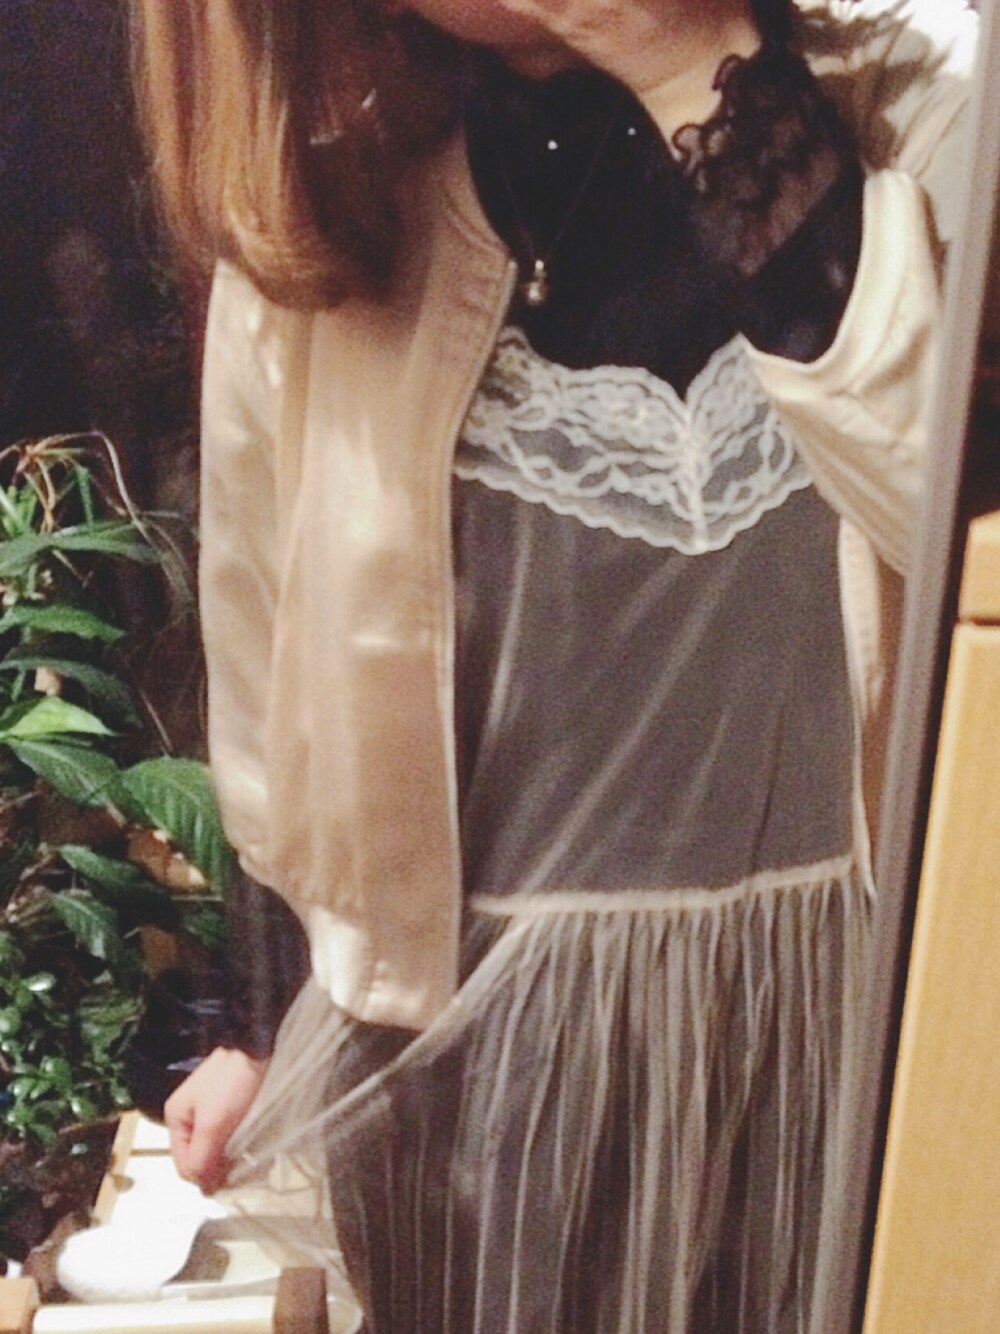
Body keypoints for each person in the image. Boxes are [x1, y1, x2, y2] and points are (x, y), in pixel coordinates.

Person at [136, 0, 977, 1329]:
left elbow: (967, 548)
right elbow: (271, 718)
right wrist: (249, 1022)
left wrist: (682, 60)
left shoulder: (918, 132)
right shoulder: (329, 243)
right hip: (482, 1113)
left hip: (858, 1060)